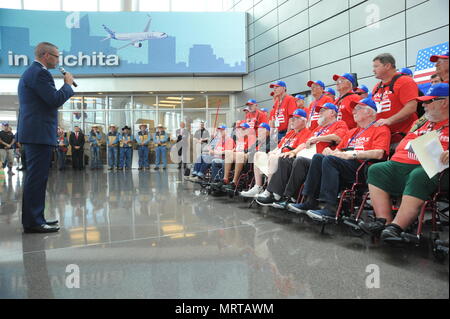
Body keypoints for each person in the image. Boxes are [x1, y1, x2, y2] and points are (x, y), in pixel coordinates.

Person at [359, 83, 449, 242]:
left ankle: (396, 227)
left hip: (437, 170)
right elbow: (403, 145)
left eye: (429, 101)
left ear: (444, 102)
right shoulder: (422, 122)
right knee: (376, 169)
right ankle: (383, 222)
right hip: (402, 164)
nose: (424, 105)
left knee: (419, 174)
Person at [299, 98, 391, 221]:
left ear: (370, 112)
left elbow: (379, 153)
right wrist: (330, 152)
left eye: (358, 108)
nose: (353, 112)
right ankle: (310, 200)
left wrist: (353, 154)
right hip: (344, 164)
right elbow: (338, 150)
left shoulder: (380, 129)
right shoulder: (353, 132)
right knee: (318, 157)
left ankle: (330, 208)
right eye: (354, 109)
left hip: (361, 167)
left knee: (330, 160)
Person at [17, 41, 74, 233]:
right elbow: (54, 99)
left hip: (36, 132)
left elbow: (43, 104)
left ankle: (37, 218)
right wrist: (67, 86)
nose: (58, 60)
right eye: (56, 56)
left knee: (38, 178)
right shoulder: (40, 73)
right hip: (37, 133)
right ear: (46, 55)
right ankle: (33, 222)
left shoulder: (33, 72)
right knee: (36, 178)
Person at [266, 103, 349, 211]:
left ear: (332, 113)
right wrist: (295, 151)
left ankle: (291, 197)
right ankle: (277, 194)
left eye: (323, 110)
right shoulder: (318, 128)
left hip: (322, 159)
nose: (320, 113)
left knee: (300, 161)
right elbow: (305, 143)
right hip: (309, 156)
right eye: (319, 111)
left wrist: (317, 138)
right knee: (286, 159)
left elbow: (337, 137)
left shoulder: (340, 124)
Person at [241, 109, 310, 198]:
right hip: (276, 158)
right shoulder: (290, 133)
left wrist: (290, 152)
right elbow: (278, 147)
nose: (292, 120)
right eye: (292, 118)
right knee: (258, 155)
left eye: (296, 118)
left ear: (303, 120)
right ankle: (258, 187)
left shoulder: (306, 132)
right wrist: (272, 152)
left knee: (273, 157)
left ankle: (269, 190)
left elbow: (302, 146)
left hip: (287, 160)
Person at [371, 53, 419, 135]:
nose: (373, 70)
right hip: (384, 136)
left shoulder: (405, 81)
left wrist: (389, 120)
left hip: (404, 135)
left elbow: (411, 107)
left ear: (387, 66)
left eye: (376, 66)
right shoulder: (376, 87)